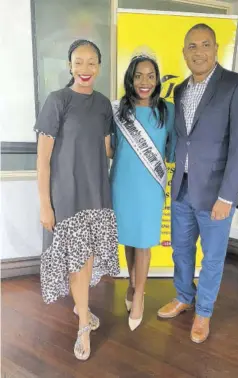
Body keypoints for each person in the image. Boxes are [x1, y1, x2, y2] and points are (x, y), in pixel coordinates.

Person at [158, 24, 238, 343]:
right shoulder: (181, 90)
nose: (198, 51)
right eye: (192, 46)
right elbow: (181, 140)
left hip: (217, 192)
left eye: (205, 45)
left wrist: (228, 196)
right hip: (182, 188)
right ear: (184, 53)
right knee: (181, 249)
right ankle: (184, 296)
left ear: (216, 48)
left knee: (212, 256)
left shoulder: (237, 86)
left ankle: (203, 313)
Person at [34, 39, 120, 360]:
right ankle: (84, 321)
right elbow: (43, 159)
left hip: (96, 193)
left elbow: (108, 148)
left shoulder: (103, 104)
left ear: (99, 66)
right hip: (67, 196)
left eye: (91, 63)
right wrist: (45, 203)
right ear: (70, 65)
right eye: (78, 62)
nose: (85, 69)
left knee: (85, 261)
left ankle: (82, 308)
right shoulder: (58, 101)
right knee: (76, 262)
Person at [110, 54, 176, 331]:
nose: (145, 82)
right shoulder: (119, 110)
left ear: (158, 79)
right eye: (139, 76)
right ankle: (130, 283)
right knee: (128, 237)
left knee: (145, 241)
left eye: (151, 76)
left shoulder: (168, 110)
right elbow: (110, 146)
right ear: (131, 78)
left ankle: (139, 296)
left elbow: (171, 147)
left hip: (151, 185)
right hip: (123, 182)